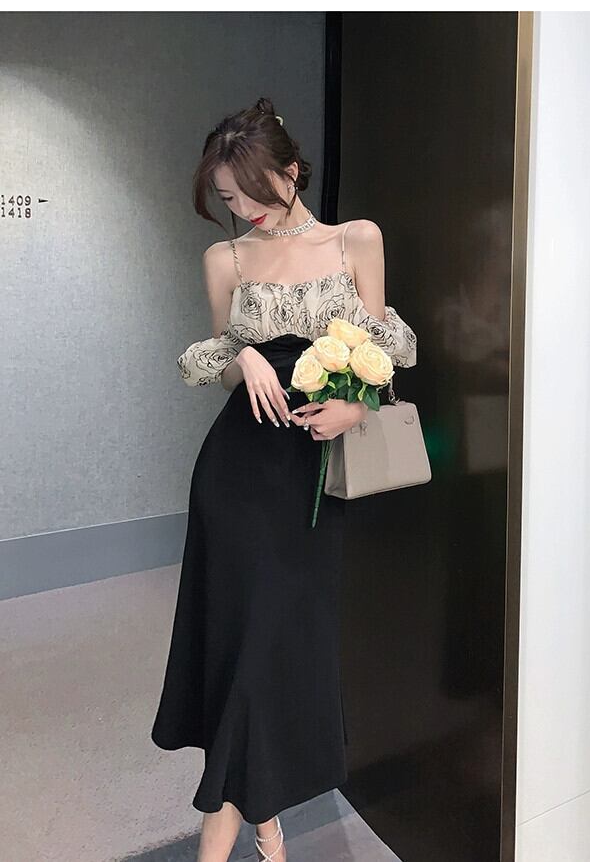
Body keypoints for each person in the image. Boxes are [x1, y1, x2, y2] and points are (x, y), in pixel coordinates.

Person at [150, 96, 418, 862]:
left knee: (271, 652)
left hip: (311, 484)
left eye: (252, 193)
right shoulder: (225, 261)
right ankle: (234, 836)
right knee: (246, 651)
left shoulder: (356, 240)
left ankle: (261, 817)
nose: (244, 212)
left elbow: (383, 355)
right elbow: (217, 361)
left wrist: (354, 408)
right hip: (235, 477)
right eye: (228, 200)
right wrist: (244, 354)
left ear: (292, 171)